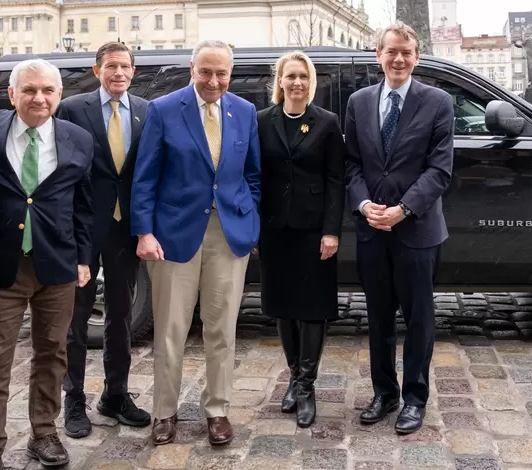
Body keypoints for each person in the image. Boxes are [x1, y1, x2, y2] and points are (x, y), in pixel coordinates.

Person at [130, 39, 261, 446]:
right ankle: (165, 412)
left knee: (222, 329)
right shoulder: (164, 110)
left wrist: (249, 220)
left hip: (228, 236)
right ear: (192, 68)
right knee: (171, 330)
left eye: (221, 73)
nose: (214, 80)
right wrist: (144, 232)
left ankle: (218, 410)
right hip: (172, 237)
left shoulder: (245, 111)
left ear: (230, 74)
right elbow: (145, 177)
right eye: (206, 71)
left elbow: (253, 175)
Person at [0, 58, 94, 469]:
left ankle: (44, 433)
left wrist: (85, 258)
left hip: (57, 266)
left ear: (60, 95)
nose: (39, 98)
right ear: (12, 94)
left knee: (52, 355)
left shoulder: (78, 139)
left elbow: (85, 207)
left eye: (48, 91)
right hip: (4, 265)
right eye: (29, 90)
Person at [344, 22, 454, 434]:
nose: (399, 59)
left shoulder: (438, 102)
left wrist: (404, 209)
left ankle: (414, 398)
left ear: (416, 57)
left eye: (406, 52)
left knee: (420, 319)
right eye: (391, 51)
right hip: (372, 230)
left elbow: (440, 170)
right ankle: (384, 392)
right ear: (379, 56)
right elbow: (352, 163)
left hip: (417, 232)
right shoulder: (359, 101)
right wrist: (363, 203)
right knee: (378, 319)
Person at [54, 41, 151, 438]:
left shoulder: (146, 111)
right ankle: (73, 399)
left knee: (121, 315)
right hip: (83, 227)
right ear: (97, 70)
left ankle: (115, 394)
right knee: (75, 319)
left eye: (125, 67)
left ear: (133, 71)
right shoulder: (73, 109)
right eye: (111, 66)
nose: (119, 73)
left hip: (124, 229)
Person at [256, 50, 345, 428]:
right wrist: (254, 228)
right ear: (280, 81)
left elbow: (335, 181)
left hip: (313, 232)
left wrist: (331, 231)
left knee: (312, 308)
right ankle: (293, 375)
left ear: (312, 83)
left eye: (303, 77)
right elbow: (255, 175)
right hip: (275, 230)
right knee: (282, 305)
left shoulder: (326, 123)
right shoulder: (261, 121)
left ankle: (306, 386)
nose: (297, 83)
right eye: (290, 76)